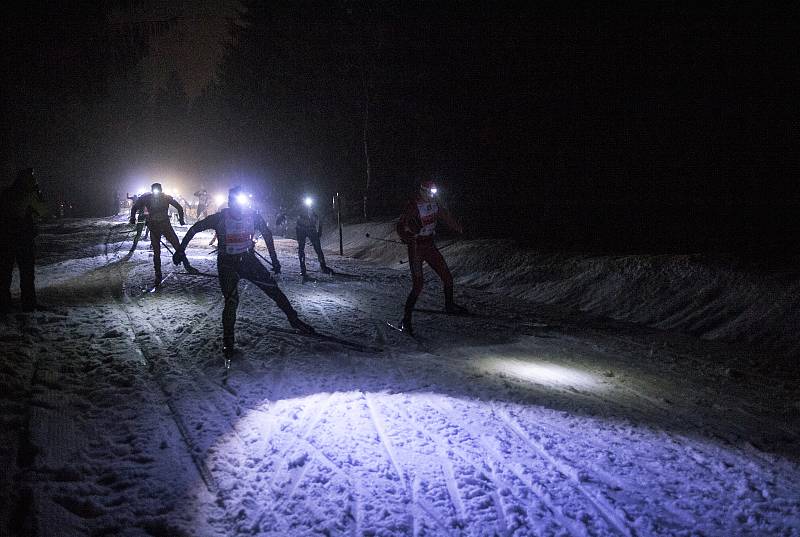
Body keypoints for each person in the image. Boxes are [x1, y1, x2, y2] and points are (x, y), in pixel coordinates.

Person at [173, 186, 314, 356]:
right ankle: (228, 341)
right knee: (231, 301)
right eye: (236, 203)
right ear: (230, 203)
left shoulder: (252, 215)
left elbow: (268, 235)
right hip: (227, 263)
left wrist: (275, 260)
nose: (239, 208)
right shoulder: (220, 217)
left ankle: (294, 319)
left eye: (242, 203)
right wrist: (181, 250)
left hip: (248, 260)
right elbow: (195, 228)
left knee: (273, 289)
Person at [395, 180, 466, 334]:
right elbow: (400, 226)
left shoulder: (435, 204)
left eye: (434, 193)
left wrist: (459, 228)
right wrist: (407, 236)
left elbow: (446, 217)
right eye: (430, 193)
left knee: (447, 277)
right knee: (418, 285)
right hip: (416, 247)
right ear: (422, 191)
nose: (432, 196)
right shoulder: (413, 206)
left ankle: (449, 305)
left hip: (429, 245)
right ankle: (406, 321)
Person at [0, 168, 49, 312]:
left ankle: (4, 304)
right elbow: (44, 212)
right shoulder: (29, 194)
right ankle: (28, 303)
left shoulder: (7, 193)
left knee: (5, 273)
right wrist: (37, 193)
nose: (34, 181)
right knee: (26, 273)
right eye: (32, 178)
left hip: (5, 238)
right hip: (22, 238)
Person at [129, 183, 195, 287]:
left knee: (177, 245)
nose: (157, 192)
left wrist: (181, 219)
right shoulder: (147, 198)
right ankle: (158, 274)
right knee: (157, 251)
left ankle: (187, 266)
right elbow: (134, 207)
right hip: (154, 226)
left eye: (158, 190)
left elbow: (179, 207)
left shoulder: (165, 197)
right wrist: (132, 218)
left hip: (165, 225)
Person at [295, 197, 332, 281]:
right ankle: (303, 268)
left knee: (318, 248)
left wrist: (320, 230)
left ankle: (323, 266)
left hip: (311, 229)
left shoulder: (314, 210)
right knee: (301, 248)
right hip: (301, 229)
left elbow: (320, 219)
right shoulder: (300, 209)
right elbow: (297, 220)